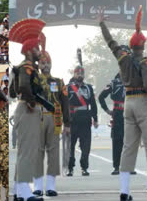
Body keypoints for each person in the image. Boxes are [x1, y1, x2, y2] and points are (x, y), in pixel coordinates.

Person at [98, 6, 147, 201]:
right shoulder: (145, 62)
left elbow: (110, 42)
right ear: (143, 46)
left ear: (131, 46)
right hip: (142, 102)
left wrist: (102, 24)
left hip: (127, 102)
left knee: (128, 147)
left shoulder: (123, 59)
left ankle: (124, 191)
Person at [9, 18, 45, 201]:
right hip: (28, 109)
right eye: (37, 48)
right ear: (30, 50)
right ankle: (24, 193)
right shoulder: (27, 67)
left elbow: (14, 90)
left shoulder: (26, 67)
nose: (39, 51)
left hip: (23, 109)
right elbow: (23, 87)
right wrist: (32, 102)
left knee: (24, 152)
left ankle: (18, 192)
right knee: (27, 153)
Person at [33, 51, 70, 197]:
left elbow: (65, 103)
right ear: (39, 65)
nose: (46, 65)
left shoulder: (59, 82)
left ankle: (51, 186)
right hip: (38, 117)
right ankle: (37, 186)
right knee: (38, 152)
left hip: (55, 119)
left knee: (54, 153)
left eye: (48, 62)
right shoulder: (34, 80)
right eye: (43, 63)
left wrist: (67, 123)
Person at [99, 72, 136, 175]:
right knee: (117, 141)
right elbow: (101, 97)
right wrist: (107, 110)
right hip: (118, 114)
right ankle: (116, 166)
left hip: (131, 113)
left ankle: (130, 166)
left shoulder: (134, 81)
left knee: (130, 141)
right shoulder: (114, 83)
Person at [67, 64, 98, 177]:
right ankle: (70, 168)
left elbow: (93, 105)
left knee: (86, 146)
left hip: (85, 118)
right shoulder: (68, 87)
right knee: (70, 146)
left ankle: (84, 167)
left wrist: (95, 118)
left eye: (82, 73)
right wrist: (65, 120)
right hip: (73, 119)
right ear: (74, 74)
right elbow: (64, 104)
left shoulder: (89, 87)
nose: (80, 75)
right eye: (78, 73)